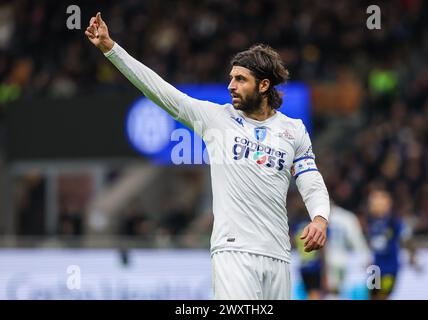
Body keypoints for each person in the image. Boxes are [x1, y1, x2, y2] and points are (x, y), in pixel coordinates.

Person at [85, 12, 330, 300]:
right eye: (231, 78)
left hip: (278, 254)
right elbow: (159, 90)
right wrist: (111, 49)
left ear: (264, 86)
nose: (231, 86)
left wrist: (320, 219)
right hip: (233, 252)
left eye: (241, 79)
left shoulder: (293, 130)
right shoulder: (216, 119)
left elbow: (310, 179)